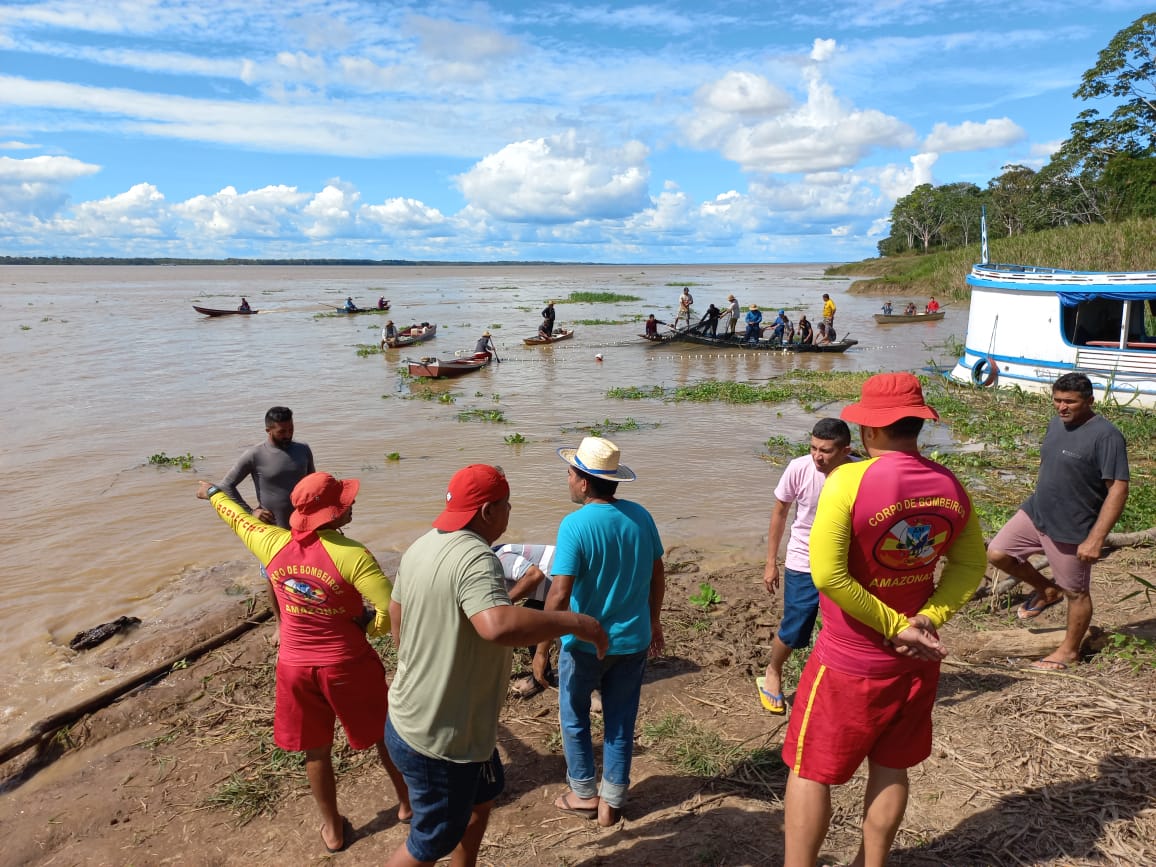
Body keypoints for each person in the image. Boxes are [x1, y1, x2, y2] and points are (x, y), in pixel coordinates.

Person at [781, 373, 986, 867]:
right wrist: (926, 618)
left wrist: (893, 625)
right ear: (917, 425)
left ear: (869, 430)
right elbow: (970, 565)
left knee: (810, 770)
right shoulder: (948, 484)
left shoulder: (848, 479)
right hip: (915, 660)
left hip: (849, 660)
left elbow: (828, 575)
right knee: (891, 767)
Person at [384, 465, 607, 867]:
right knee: (429, 843)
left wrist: (419, 665)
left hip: (434, 722)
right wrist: (579, 623)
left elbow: (395, 612)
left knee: (481, 802)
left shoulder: (423, 544)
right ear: (488, 510)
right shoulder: (476, 558)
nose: (509, 512)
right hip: (441, 738)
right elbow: (497, 625)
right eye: (507, 505)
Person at [196, 472, 411, 853]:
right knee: (383, 733)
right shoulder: (353, 555)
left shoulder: (270, 541)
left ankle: (332, 830)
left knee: (316, 750)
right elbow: (393, 610)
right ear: (334, 513)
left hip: (294, 667)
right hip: (347, 664)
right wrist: (369, 626)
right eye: (346, 502)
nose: (352, 505)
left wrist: (213, 492)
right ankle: (408, 804)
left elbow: (235, 516)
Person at [539, 437, 664, 828]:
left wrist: (542, 647)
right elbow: (658, 573)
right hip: (633, 639)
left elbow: (559, 594)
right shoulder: (640, 516)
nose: (568, 477)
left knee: (574, 715)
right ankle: (612, 801)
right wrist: (654, 619)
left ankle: (583, 793)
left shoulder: (574, 525)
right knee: (621, 719)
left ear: (582, 482)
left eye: (571, 472)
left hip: (582, 643)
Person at [986, 373, 1129, 671]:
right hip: (1037, 512)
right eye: (1057, 400)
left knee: (1076, 592)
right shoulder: (1056, 423)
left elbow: (1117, 488)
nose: (1062, 407)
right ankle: (1047, 590)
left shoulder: (1106, 435)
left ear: (1089, 401)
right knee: (998, 553)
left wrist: (1096, 538)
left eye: (1070, 402)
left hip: (1072, 526)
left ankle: (1069, 651)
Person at [758, 419, 855, 715]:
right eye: (813, 448)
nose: (817, 456)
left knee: (846, 626)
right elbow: (780, 513)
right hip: (803, 560)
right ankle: (773, 672)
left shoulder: (858, 472)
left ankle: (838, 682)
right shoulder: (798, 468)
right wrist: (771, 562)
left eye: (825, 450)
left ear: (845, 450)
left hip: (843, 563)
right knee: (796, 625)